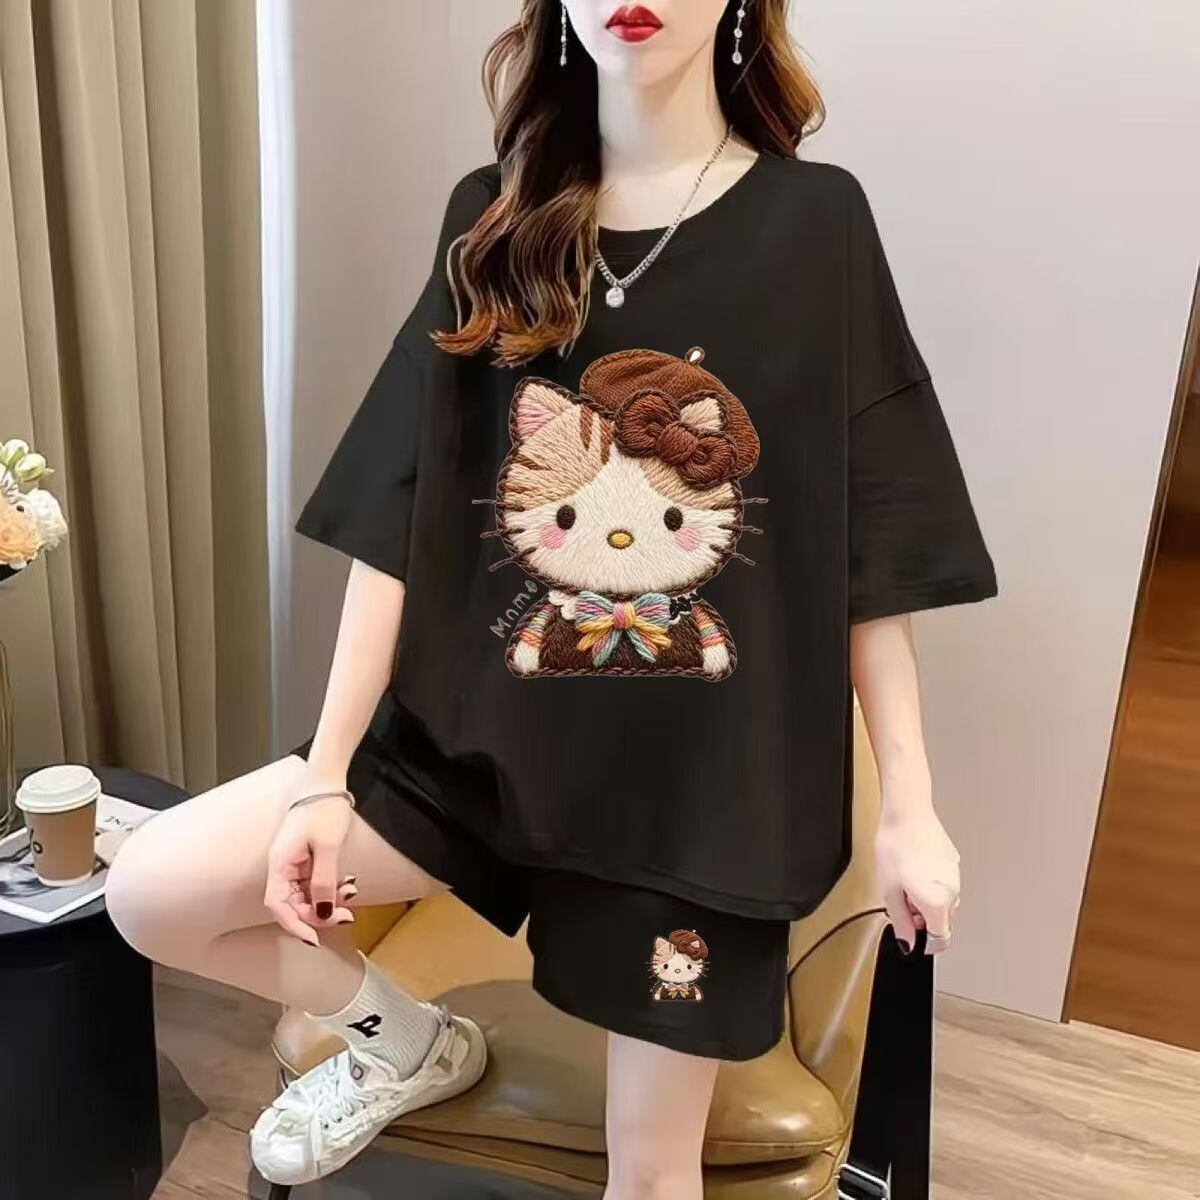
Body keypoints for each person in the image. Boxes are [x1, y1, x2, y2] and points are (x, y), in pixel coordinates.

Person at [106, 2, 998, 1196]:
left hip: (686, 810)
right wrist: (325, 771)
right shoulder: (495, 219)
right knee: (154, 891)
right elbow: (399, 513)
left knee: (651, 1175)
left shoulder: (815, 224)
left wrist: (912, 808)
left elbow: (871, 541)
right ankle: (406, 1045)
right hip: (478, 756)